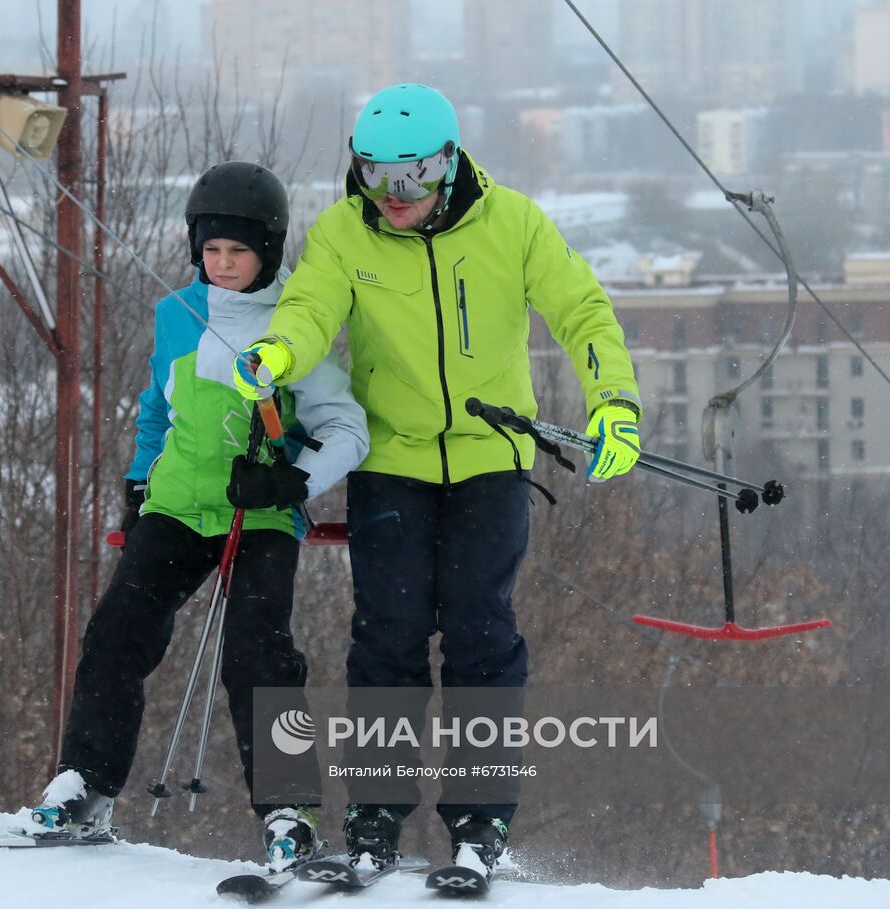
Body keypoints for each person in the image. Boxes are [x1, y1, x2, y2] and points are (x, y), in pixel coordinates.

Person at [232, 84, 643, 874]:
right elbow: (311, 309)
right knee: (386, 637)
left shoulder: (512, 223)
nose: (394, 196)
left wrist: (614, 403)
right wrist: (279, 352)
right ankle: (376, 815)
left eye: (413, 176)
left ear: (450, 162)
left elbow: (582, 310)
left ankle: (480, 823)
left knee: (482, 636)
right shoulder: (345, 232)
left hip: (491, 460)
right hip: (393, 462)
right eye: (376, 174)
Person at [31, 161, 369, 870]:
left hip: (262, 517)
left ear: (269, 252)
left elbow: (349, 431)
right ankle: (86, 785)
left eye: (238, 252)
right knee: (118, 632)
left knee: (260, 653)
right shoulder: (175, 314)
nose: (222, 264)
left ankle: (290, 809)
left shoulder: (295, 325)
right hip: (179, 504)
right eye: (211, 250)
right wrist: (137, 480)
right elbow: (158, 408)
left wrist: (291, 482)